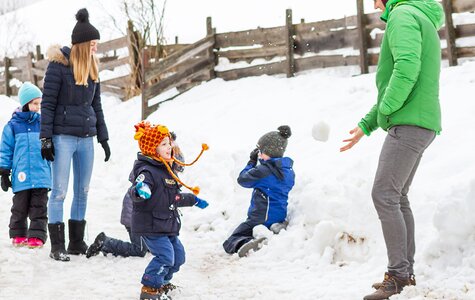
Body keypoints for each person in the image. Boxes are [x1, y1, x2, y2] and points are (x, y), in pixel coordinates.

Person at [340, 0, 444, 299]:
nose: (374, 3)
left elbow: (406, 69)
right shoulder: (418, 15)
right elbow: (401, 78)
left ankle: (397, 274)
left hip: (409, 122)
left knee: (384, 194)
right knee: (397, 197)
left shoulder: (401, 14)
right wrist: (366, 125)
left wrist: (386, 110)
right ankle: (404, 272)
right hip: (420, 120)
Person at [40, 8, 111, 262]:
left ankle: (76, 242)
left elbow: (97, 106)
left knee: (83, 190)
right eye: (92, 44)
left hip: (86, 138)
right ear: (81, 45)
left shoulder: (93, 70)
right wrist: (45, 137)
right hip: (63, 138)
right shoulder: (58, 68)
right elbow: (47, 104)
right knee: (59, 191)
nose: (95, 49)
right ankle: (57, 246)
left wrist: (103, 137)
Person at [129, 121, 209, 300]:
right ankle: (149, 288)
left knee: (178, 257)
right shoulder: (147, 170)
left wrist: (194, 200)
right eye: (164, 144)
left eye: (169, 143)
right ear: (152, 148)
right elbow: (135, 190)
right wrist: (141, 191)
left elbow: (173, 197)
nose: (169, 147)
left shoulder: (168, 170)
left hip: (167, 224)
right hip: (151, 224)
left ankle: (162, 282)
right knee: (166, 257)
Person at [85, 132, 185, 259]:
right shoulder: (148, 170)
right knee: (140, 249)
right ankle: (105, 242)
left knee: (155, 245)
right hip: (136, 216)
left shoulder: (166, 174)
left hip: (148, 218)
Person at [223, 125, 295, 257]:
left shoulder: (264, 171)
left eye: (261, 152)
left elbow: (242, 179)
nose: (260, 155)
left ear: (270, 152)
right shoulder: (288, 171)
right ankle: (274, 229)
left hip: (260, 217)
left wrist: (251, 162)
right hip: (279, 215)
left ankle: (252, 242)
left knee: (232, 239)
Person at [0, 82, 51, 248]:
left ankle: (37, 235)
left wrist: (49, 144)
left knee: (39, 206)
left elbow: (51, 141)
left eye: (39, 104)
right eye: (35, 103)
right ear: (25, 103)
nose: (38, 107)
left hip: (41, 173)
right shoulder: (12, 126)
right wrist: (4, 172)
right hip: (21, 174)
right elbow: (6, 150)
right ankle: (18, 233)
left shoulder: (43, 123)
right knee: (19, 206)